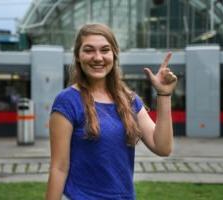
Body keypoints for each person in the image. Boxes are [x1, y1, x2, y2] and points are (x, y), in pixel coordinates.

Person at [46, 23, 177, 200]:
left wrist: (164, 94)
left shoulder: (129, 100)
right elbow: (59, 167)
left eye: (105, 50)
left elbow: (163, 148)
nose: (98, 57)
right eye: (89, 50)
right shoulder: (67, 101)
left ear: (114, 54)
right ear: (78, 56)